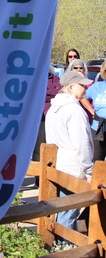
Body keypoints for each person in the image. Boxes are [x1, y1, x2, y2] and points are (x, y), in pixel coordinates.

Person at [45, 71, 93, 231]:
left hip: (58, 164)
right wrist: (89, 170)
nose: (85, 88)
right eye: (82, 85)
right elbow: (82, 144)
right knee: (68, 213)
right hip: (73, 167)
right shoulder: (74, 110)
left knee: (61, 210)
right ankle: (65, 250)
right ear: (72, 87)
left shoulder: (53, 108)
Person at [82, 60, 106, 161]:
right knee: (96, 162)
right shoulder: (97, 86)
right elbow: (82, 97)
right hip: (97, 129)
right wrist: (92, 111)